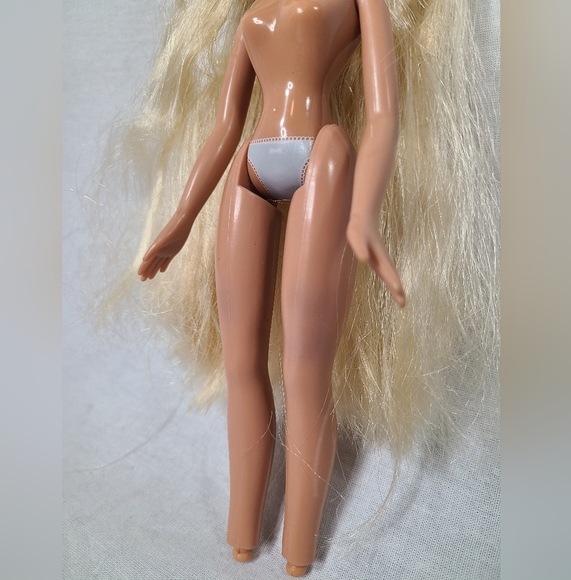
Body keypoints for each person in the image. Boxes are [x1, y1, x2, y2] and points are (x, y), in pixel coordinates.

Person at [107, 0, 497, 576]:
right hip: (251, 164)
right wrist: (182, 218)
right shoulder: (253, 10)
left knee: (305, 368)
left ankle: (299, 546)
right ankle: (243, 529)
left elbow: (382, 115)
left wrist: (363, 214)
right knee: (241, 363)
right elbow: (225, 125)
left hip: (323, 153)